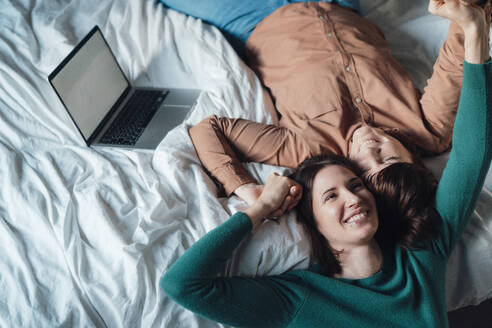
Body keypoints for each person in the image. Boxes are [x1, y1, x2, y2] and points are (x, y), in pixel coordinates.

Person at [159, 0, 490, 217]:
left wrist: (247, 189)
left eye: (363, 167)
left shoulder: (311, 148)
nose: (369, 147)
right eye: (388, 156)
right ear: (415, 161)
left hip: (254, 16)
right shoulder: (429, 130)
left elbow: (209, 130)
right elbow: (459, 47)